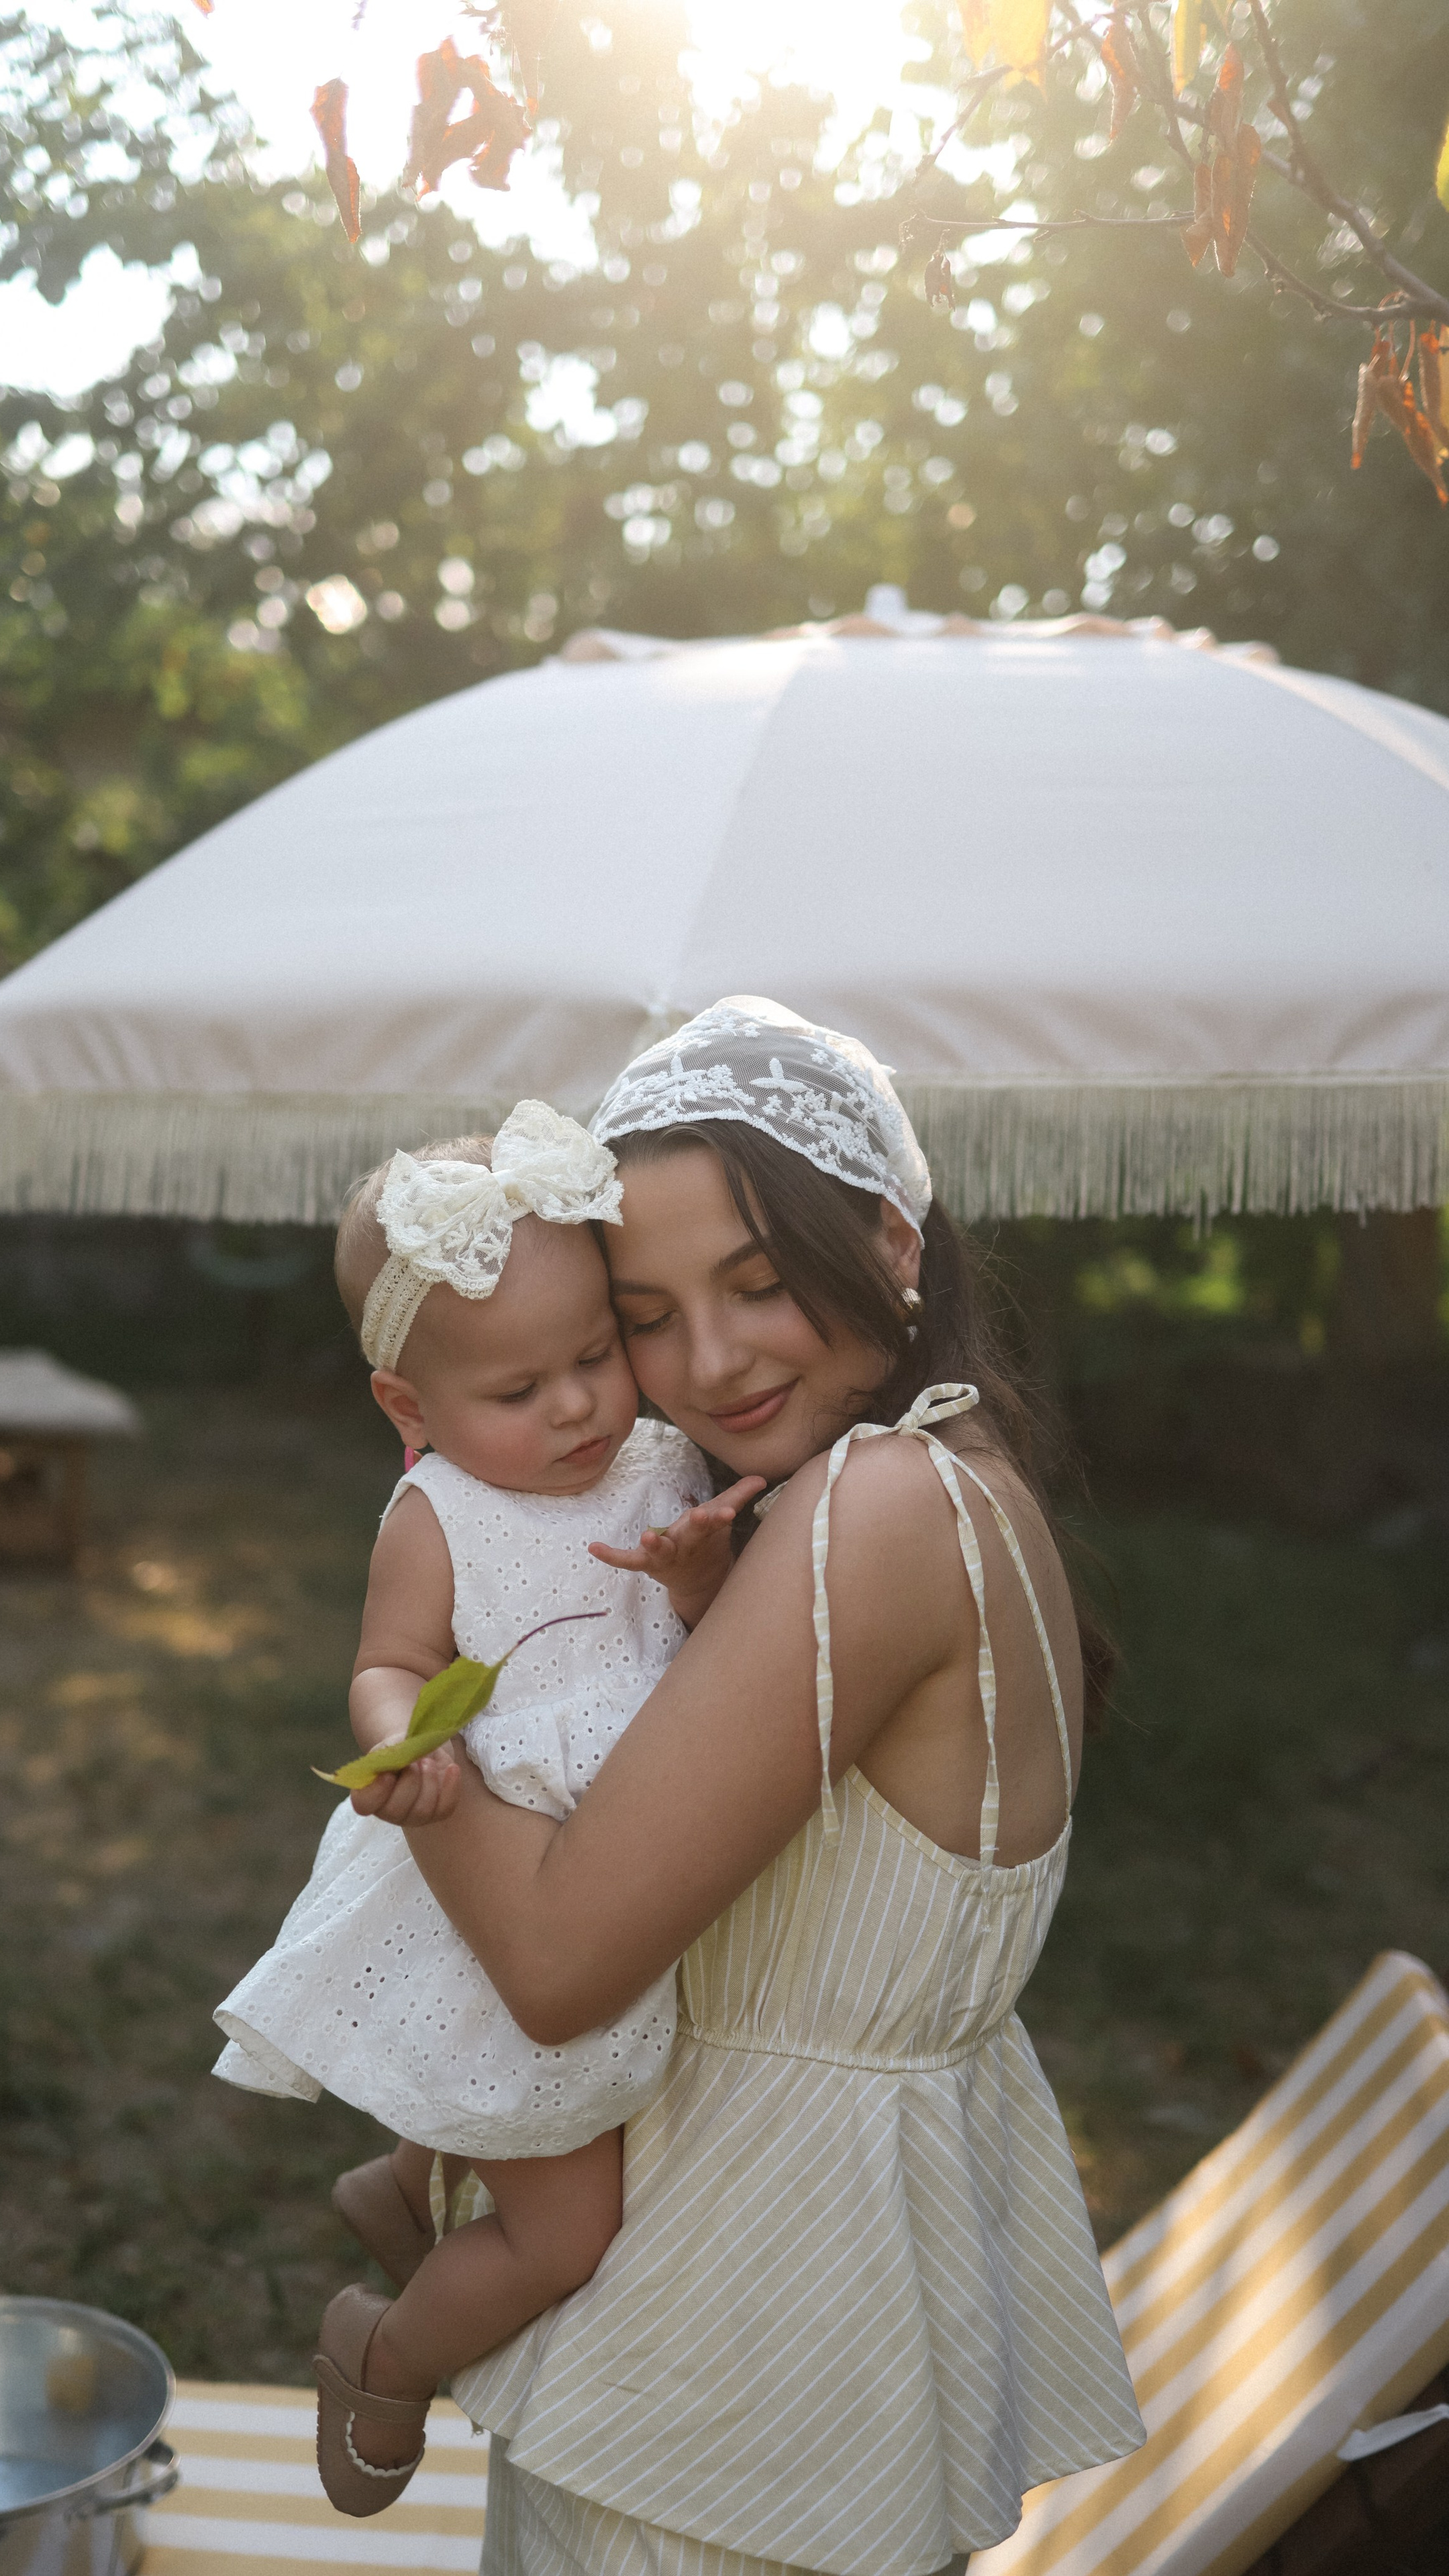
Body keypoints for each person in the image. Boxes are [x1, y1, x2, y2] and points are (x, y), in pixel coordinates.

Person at [346, 998, 1148, 2576]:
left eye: (760, 1282)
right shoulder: (937, 1479)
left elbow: (558, 1961)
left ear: (893, 1242)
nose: (703, 1362)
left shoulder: (881, 1512)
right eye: (643, 1312)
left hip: (743, 2321)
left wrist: (411, 1719)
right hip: (795, 2265)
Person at [211, 1099, 760, 2514]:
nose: (578, 1403)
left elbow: (687, 1650)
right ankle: (382, 2351)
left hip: (624, 1841)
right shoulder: (438, 1512)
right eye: (520, 1390)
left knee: (500, 2085)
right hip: (506, 1857)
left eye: (594, 1354)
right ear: (411, 1407)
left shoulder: (654, 1462)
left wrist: (696, 1584)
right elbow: (385, 1664)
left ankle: (408, 2184)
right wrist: (403, 1744)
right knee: (568, 2224)